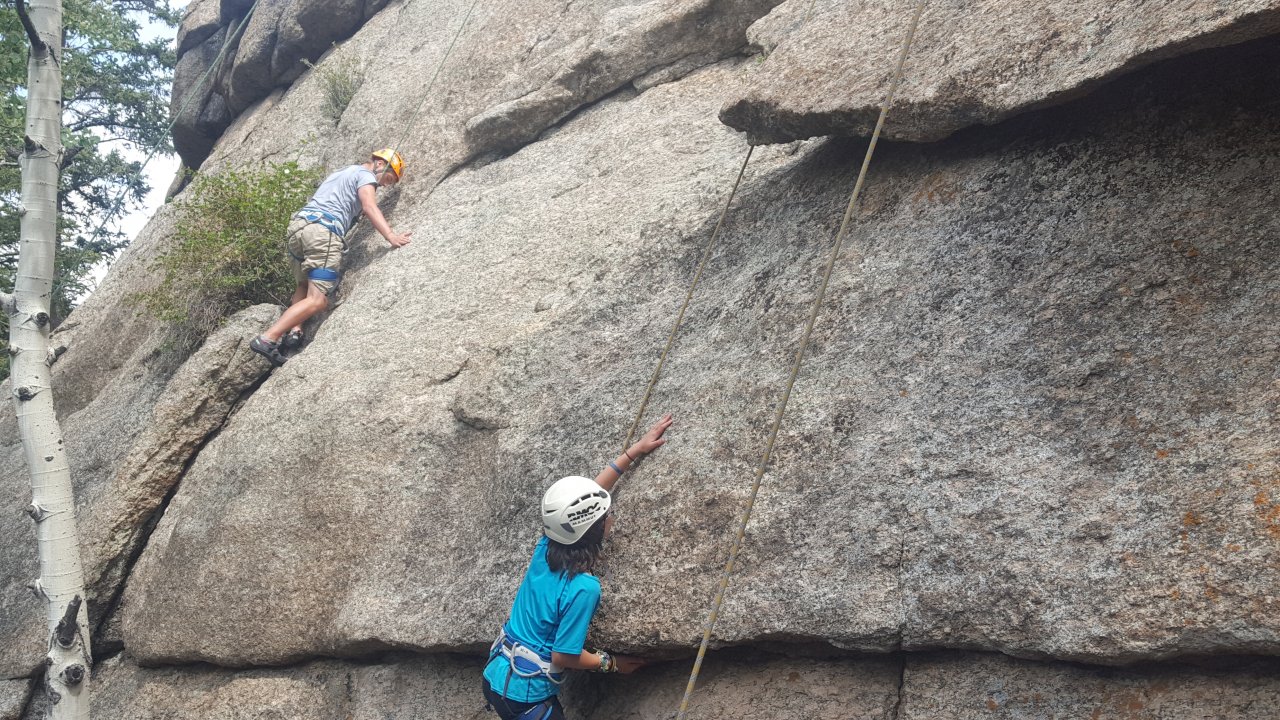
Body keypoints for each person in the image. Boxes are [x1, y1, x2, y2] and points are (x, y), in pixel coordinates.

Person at [483, 414, 674, 720]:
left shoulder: (546, 547)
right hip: (527, 700)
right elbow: (564, 655)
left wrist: (634, 452)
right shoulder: (584, 588)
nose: (611, 516)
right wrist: (612, 663)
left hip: (496, 675)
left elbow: (580, 504)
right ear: (596, 530)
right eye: (607, 514)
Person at [250, 148, 413, 366]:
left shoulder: (342, 172)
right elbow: (369, 206)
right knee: (318, 300)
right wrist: (391, 236)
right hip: (323, 232)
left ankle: (295, 330)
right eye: (389, 179)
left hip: (298, 229)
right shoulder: (366, 176)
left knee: (303, 284)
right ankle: (268, 338)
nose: (384, 185)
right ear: (380, 164)